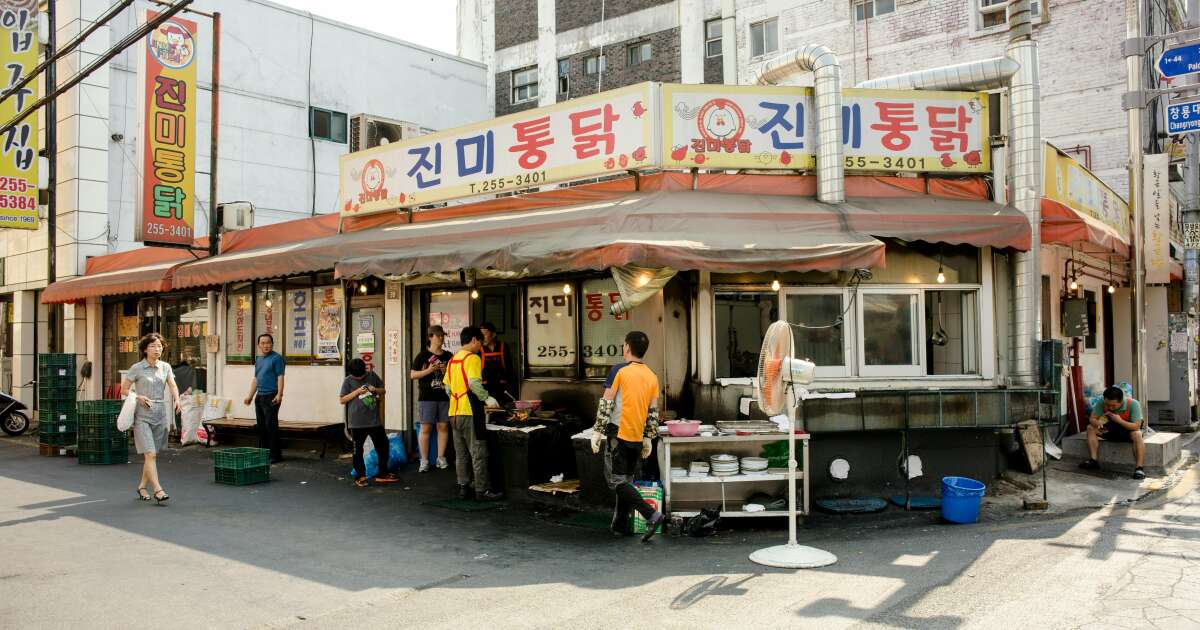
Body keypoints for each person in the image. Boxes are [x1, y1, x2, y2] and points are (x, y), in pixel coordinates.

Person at [590, 330, 665, 542]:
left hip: (618, 435)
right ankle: (620, 525)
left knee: (617, 482)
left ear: (627, 347)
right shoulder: (652, 376)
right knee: (627, 482)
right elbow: (653, 412)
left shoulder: (619, 371)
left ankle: (652, 514)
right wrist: (649, 437)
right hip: (637, 438)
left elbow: (606, 402)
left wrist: (597, 430)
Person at [122, 333, 182, 504]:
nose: (157, 349)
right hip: (142, 415)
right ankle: (158, 490)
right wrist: (138, 396)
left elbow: (172, 385)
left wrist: (177, 400)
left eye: (160, 346)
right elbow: (124, 390)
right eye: (153, 346)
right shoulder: (137, 368)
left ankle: (142, 487)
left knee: (152, 456)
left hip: (160, 413)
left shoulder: (165, 367)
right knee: (150, 453)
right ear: (144, 349)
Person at [444, 326, 502, 500]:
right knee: (478, 452)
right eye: (481, 342)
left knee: (460, 454)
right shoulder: (473, 358)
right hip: (469, 412)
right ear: (474, 340)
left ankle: (463, 488)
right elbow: (474, 384)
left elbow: (447, 388)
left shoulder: (453, 359)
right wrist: (487, 398)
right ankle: (481, 490)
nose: (481, 347)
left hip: (453, 412)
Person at [340, 358, 400, 487]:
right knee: (357, 450)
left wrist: (375, 390)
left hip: (374, 421)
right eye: (357, 377)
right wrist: (357, 392)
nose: (360, 378)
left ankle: (382, 473)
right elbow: (342, 399)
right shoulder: (348, 381)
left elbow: (383, 390)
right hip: (356, 422)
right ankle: (360, 476)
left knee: (383, 446)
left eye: (362, 376)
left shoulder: (372, 375)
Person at [410, 325, 453, 473]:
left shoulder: (448, 356)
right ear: (430, 337)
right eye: (438, 335)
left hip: (444, 396)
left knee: (443, 426)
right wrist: (429, 370)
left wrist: (445, 370)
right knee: (426, 427)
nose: (441, 338)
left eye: (442, 335)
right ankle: (424, 460)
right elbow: (413, 375)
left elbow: (454, 375)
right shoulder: (422, 356)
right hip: (427, 397)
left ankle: (441, 458)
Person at [1080, 386, 1147, 480]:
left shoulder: (1133, 404)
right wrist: (1098, 423)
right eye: (1108, 405)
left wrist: (1119, 420)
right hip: (1110, 431)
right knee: (1090, 428)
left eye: (1113, 406)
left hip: (1127, 432)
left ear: (1121, 401)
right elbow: (1092, 418)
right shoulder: (1102, 402)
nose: (1110, 407)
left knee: (1138, 434)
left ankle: (1139, 468)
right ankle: (1093, 461)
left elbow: (1136, 426)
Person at [244, 333, 285, 464]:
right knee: (261, 426)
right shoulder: (259, 359)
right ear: (258, 345)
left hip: (271, 396)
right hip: (259, 396)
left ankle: (275, 455)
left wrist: (279, 394)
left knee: (271, 426)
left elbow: (280, 377)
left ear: (272, 344)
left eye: (268, 343)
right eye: (263, 343)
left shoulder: (277, 358)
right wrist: (250, 396)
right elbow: (256, 379)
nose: (265, 345)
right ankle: (264, 453)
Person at [478, 322, 515, 402]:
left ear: (493, 334)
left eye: (485, 334)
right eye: (481, 335)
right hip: (486, 390)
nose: (482, 338)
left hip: (503, 389)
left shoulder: (503, 347)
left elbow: (510, 370)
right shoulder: (479, 350)